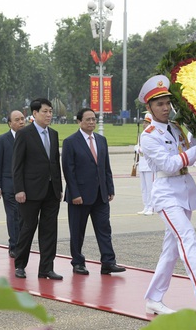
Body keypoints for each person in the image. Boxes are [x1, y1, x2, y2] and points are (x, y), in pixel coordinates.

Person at [138, 75, 196, 314]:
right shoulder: (148, 136)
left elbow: (188, 147)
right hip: (166, 194)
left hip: (184, 192)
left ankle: (154, 299)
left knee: (171, 249)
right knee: (187, 238)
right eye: (159, 104)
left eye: (168, 102)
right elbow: (169, 165)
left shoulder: (176, 127)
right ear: (149, 107)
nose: (166, 107)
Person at [62, 108, 125, 276]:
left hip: (101, 195)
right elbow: (68, 170)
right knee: (77, 231)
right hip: (79, 197)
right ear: (79, 121)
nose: (91, 122)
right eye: (88, 119)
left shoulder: (101, 140)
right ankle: (77, 263)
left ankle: (108, 262)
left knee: (105, 229)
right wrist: (75, 194)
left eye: (93, 119)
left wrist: (109, 188)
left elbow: (106, 168)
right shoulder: (70, 142)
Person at [12, 98, 63, 280]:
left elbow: (55, 163)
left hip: (51, 190)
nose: (49, 115)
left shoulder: (54, 134)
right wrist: (19, 189)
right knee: (28, 227)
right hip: (30, 191)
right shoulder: (25, 134)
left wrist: (59, 187)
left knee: (50, 230)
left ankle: (46, 268)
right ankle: (20, 265)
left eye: (50, 111)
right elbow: (17, 165)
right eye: (45, 111)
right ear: (34, 114)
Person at [0, 110, 25, 258]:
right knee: (13, 216)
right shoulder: (2, 140)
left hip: (26, 186)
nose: (21, 122)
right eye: (17, 120)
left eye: (22, 119)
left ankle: (22, 244)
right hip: (9, 185)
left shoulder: (29, 138)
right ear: (10, 123)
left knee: (23, 217)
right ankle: (14, 245)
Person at [135, 113, 154, 215]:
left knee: (150, 188)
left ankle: (151, 207)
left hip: (149, 165)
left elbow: (149, 149)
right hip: (142, 164)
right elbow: (138, 146)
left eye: (147, 122)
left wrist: (139, 149)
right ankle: (146, 205)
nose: (144, 124)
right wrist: (137, 148)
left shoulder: (152, 134)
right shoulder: (142, 134)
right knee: (144, 188)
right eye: (144, 122)